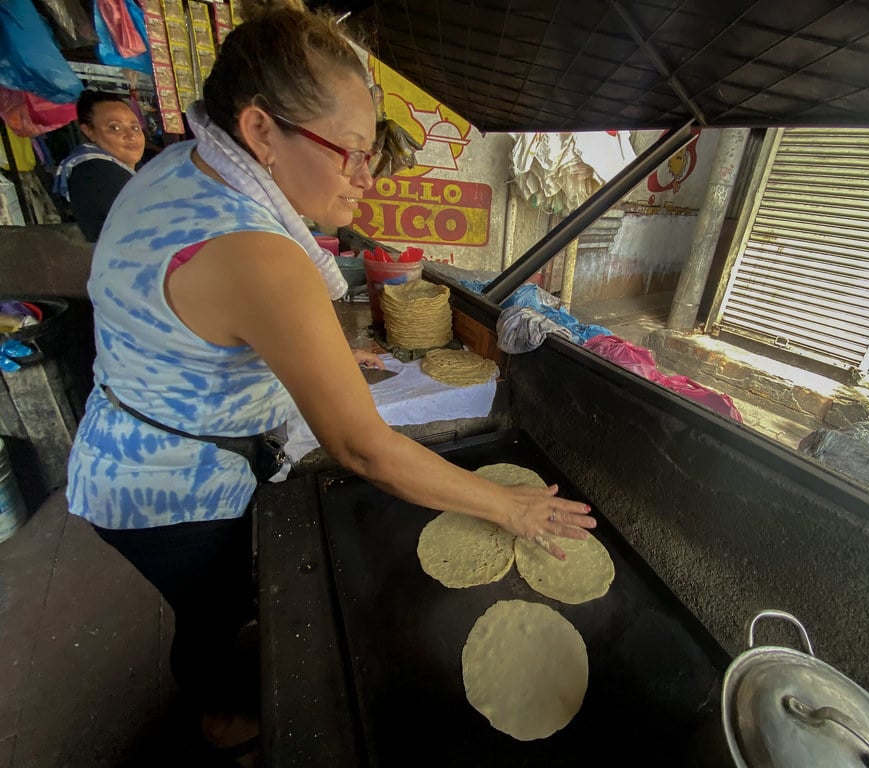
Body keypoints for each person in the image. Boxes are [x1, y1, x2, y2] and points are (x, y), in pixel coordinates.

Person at [64, 0, 595, 761]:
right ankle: (222, 723)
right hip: (168, 490)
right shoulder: (256, 250)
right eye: (346, 150)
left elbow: (197, 315)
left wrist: (322, 354)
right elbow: (364, 449)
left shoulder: (183, 167)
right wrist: (508, 508)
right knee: (211, 616)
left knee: (209, 609)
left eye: (367, 151)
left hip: (122, 442)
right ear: (259, 131)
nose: (363, 179)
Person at [53, 90, 145, 241]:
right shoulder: (95, 171)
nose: (131, 135)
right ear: (89, 131)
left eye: (135, 127)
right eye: (114, 127)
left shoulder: (118, 169)